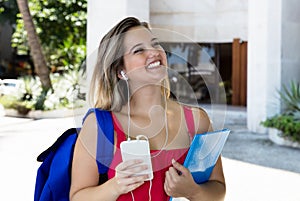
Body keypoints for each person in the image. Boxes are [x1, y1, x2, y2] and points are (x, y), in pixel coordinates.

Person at [69, 16, 226, 201]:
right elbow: (77, 197)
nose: (154, 52)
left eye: (155, 44)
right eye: (139, 50)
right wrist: (115, 186)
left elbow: (218, 189)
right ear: (121, 71)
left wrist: (193, 191)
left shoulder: (197, 120)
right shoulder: (99, 126)